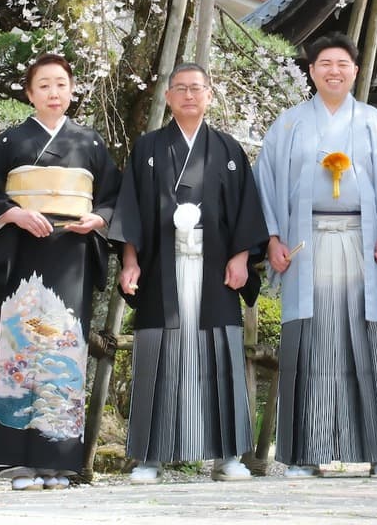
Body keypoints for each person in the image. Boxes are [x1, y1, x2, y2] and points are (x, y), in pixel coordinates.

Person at [254, 32, 377, 478]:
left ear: (355, 71)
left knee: (369, 339)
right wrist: (272, 239)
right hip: (306, 244)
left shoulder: (375, 123)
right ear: (311, 71)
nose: (334, 71)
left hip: (364, 241)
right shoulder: (288, 125)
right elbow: (265, 184)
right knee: (311, 343)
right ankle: (306, 453)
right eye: (325, 64)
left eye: (342, 64)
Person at [109, 63, 269, 483]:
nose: (189, 95)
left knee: (220, 354)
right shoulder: (147, 147)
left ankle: (228, 456)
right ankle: (149, 457)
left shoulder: (228, 149)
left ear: (210, 96)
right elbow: (130, 210)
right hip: (161, 264)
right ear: (167, 97)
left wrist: (241, 257)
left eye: (197, 88)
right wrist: (130, 261)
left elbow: (246, 210)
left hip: (215, 265)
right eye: (180, 88)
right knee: (158, 355)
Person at [0, 54, 121, 490]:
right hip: (22, 252)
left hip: (72, 251)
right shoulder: (10, 140)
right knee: (19, 346)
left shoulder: (90, 142)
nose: (54, 93)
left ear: (72, 90)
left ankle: (58, 460)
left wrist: (99, 218)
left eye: (61, 84)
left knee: (65, 347)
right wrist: (16, 214)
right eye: (44, 85)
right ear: (29, 93)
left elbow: (113, 196)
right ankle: (15, 460)